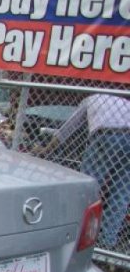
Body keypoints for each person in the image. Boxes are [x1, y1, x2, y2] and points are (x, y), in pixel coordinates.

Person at [38, 94, 130, 248]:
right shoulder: (123, 102)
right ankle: (108, 242)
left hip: (106, 134)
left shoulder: (89, 100)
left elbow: (67, 129)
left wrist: (46, 150)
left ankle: (78, 235)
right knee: (121, 192)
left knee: (88, 187)